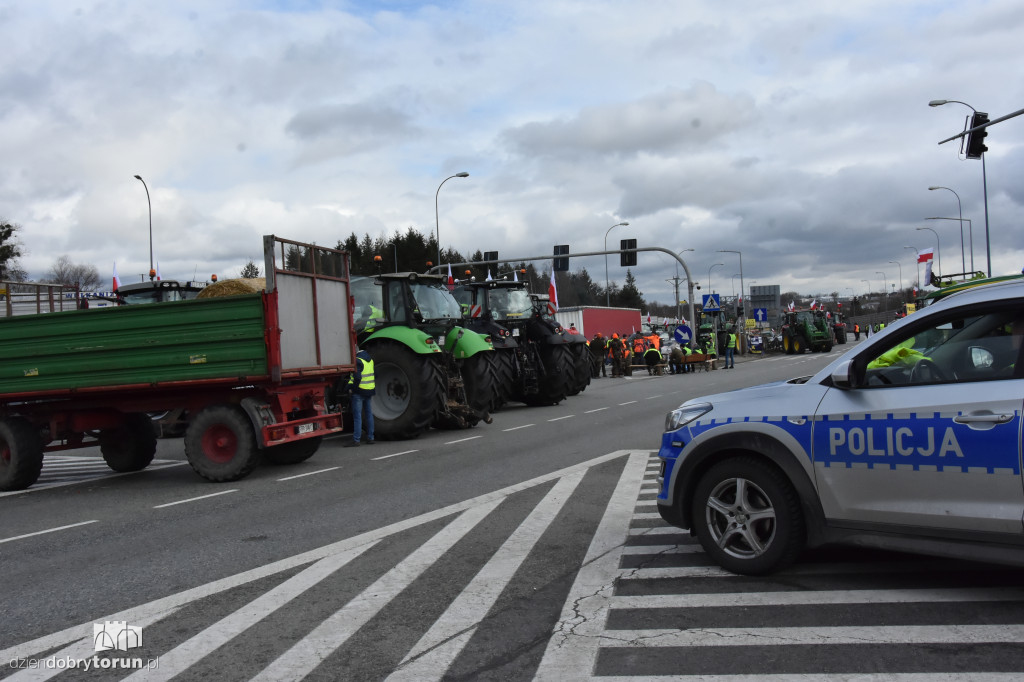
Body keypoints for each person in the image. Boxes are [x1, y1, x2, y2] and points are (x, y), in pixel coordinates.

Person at [344, 347, 376, 447]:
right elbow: (376, 374)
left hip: (359, 392)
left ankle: (356, 440)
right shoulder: (370, 360)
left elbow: (357, 377)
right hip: (369, 391)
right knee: (369, 414)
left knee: (357, 416)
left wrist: (352, 388)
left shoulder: (357, 361)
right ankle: (370, 437)